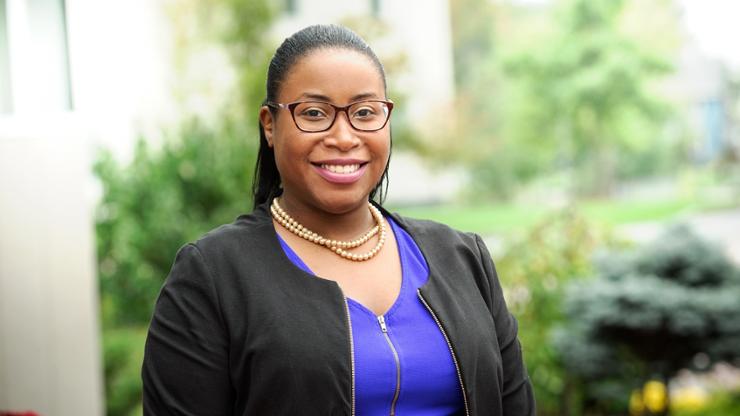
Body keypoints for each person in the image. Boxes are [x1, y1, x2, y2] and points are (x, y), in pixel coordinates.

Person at [142, 24, 535, 415]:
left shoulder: (463, 259)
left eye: (365, 112)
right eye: (314, 113)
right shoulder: (213, 276)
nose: (344, 137)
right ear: (269, 125)